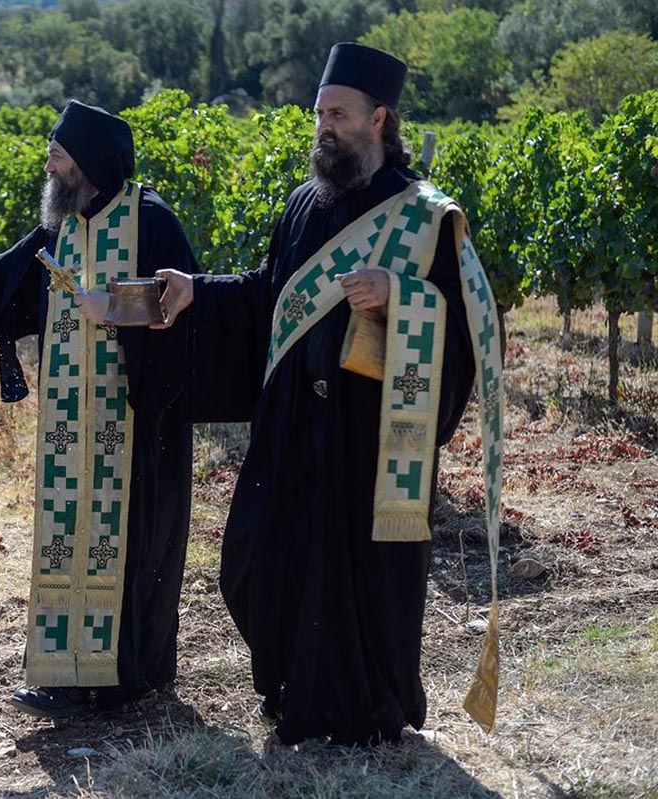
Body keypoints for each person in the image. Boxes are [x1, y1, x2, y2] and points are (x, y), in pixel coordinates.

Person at [155, 43, 504, 745]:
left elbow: (468, 322)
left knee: (360, 572)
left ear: (379, 118)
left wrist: (398, 294)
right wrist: (200, 290)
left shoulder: (424, 215)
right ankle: (288, 685)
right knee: (256, 558)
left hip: (367, 431)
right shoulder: (303, 203)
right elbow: (268, 291)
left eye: (338, 115)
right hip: (290, 422)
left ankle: (365, 708)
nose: (324, 127)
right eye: (319, 114)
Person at [0, 100, 198, 717]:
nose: (48, 167)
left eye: (57, 155)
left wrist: (116, 307)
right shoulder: (64, 226)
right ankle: (62, 672)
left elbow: (184, 307)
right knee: (65, 539)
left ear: (90, 161)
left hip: (137, 424)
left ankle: (123, 680)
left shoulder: (152, 221)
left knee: (131, 546)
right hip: (68, 426)